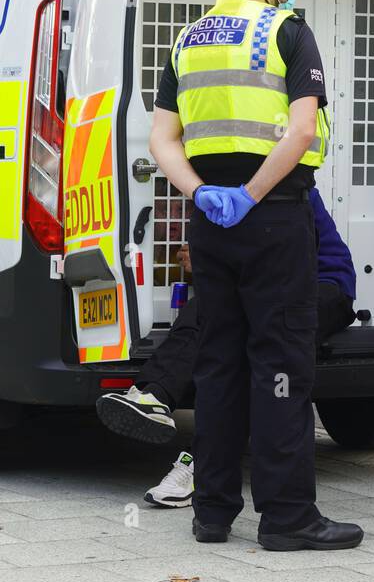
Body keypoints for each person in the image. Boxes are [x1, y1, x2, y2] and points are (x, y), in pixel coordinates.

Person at [148, 0, 362, 552]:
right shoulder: (286, 31)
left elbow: (163, 139)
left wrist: (200, 193)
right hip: (274, 218)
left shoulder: (188, 40)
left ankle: (212, 512)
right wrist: (253, 193)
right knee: (281, 366)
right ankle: (287, 517)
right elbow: (299, 133)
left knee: (218, 365)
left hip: (210, 224)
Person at [95, 188, 357, 509]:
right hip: (267, 285)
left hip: (322, 286)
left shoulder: (285, 186)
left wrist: (208, 260)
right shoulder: (219, 191)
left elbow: (282, 259)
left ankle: (195, 467)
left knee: (252, 347)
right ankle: (153, 396)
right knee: (206, 311)